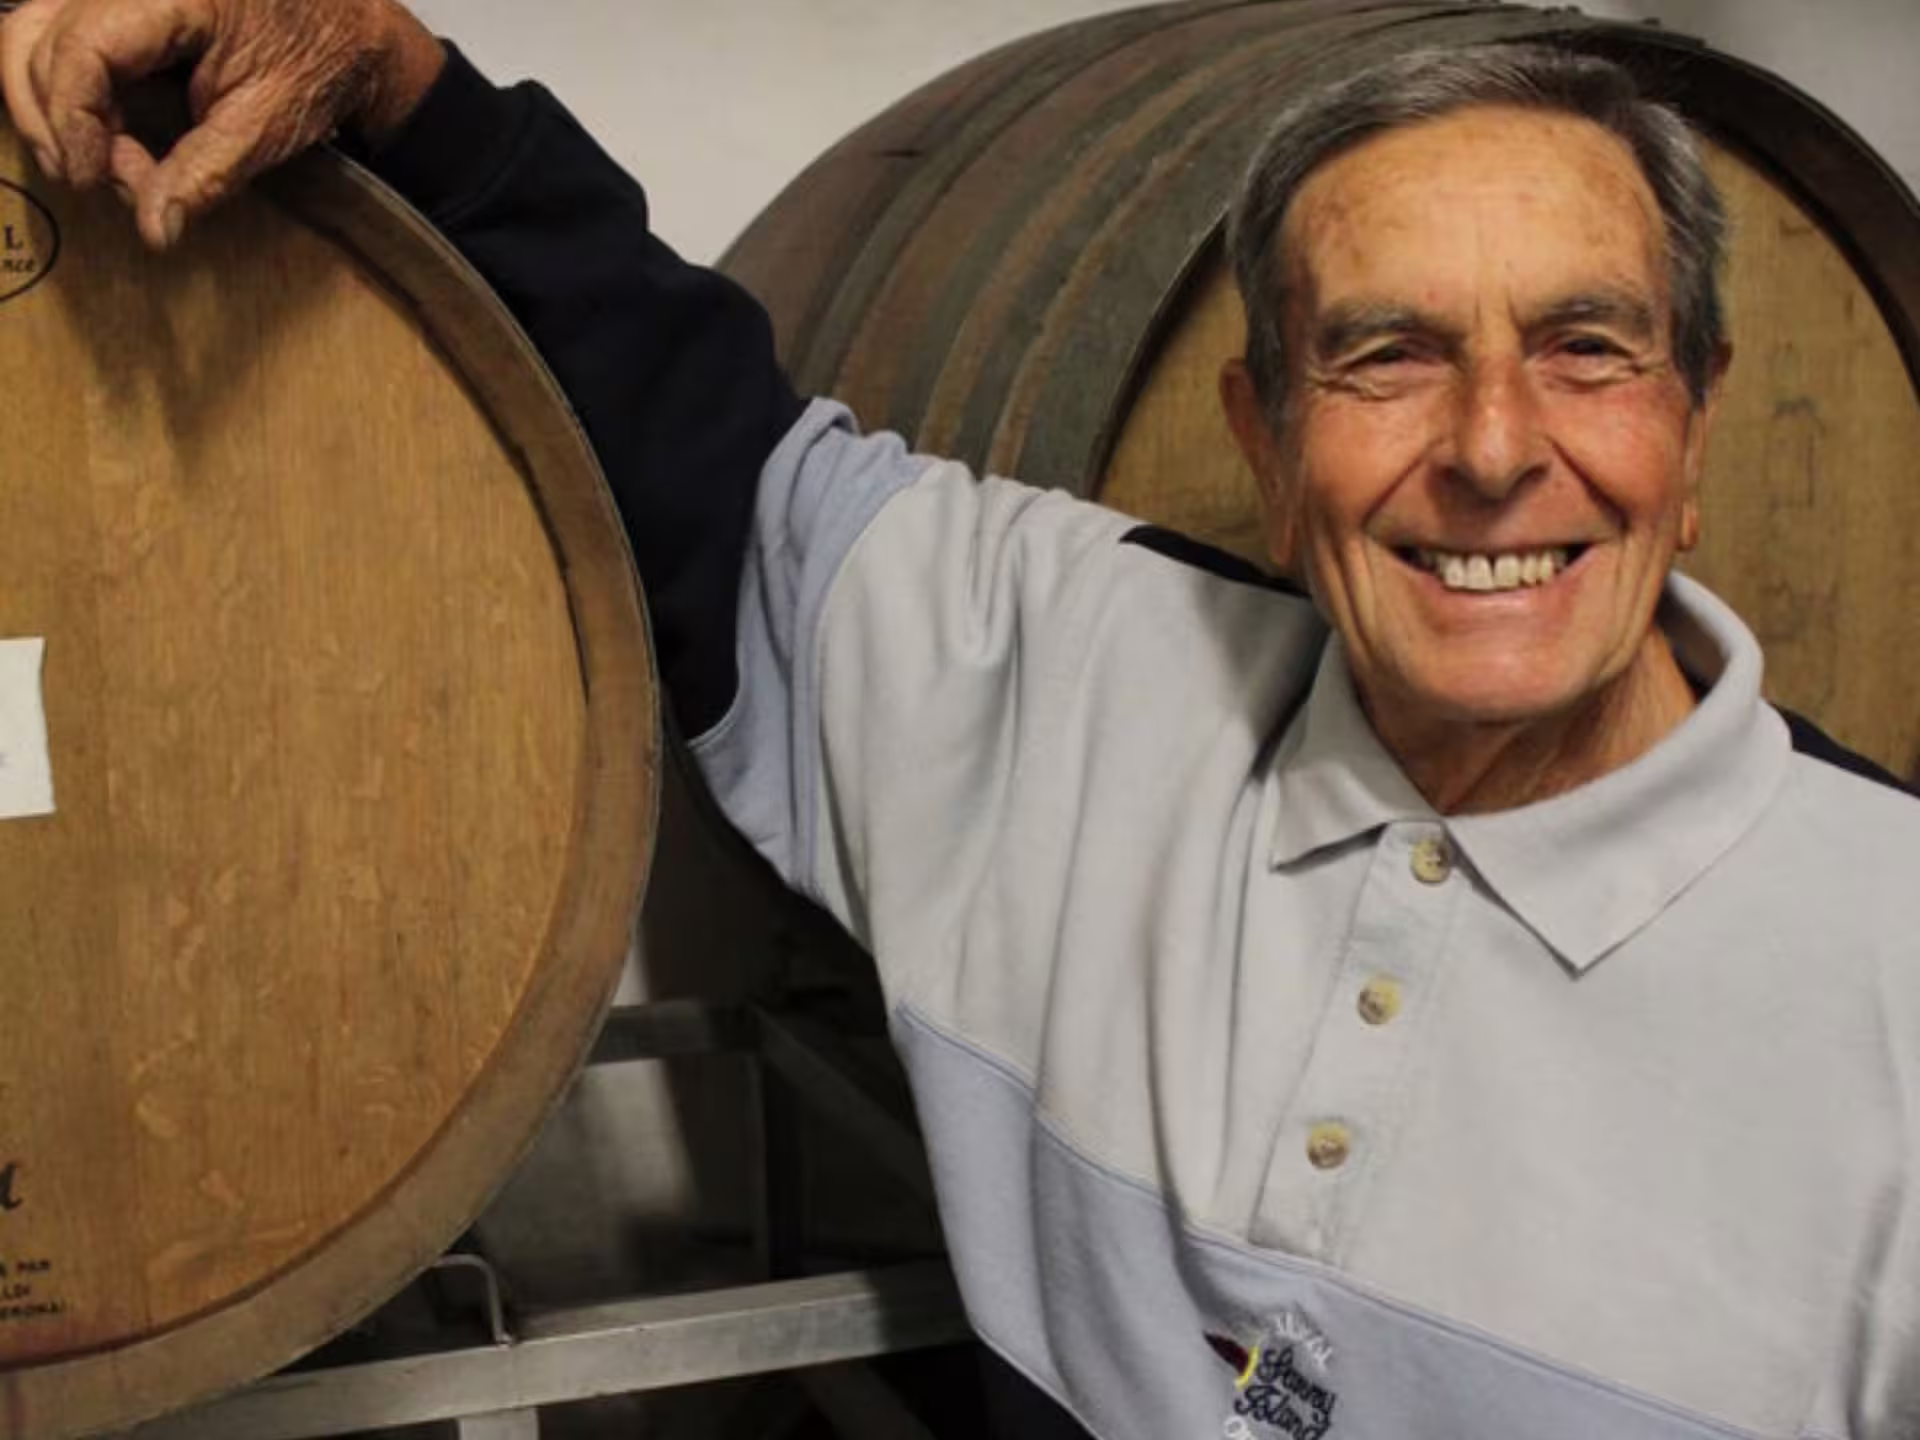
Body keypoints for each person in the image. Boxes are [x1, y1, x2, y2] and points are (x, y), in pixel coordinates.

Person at [6, 2, 1917, 1435]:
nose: (1497, 448)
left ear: (1701, 412)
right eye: (1384, 355)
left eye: (1588, 347)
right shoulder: (1078, 678)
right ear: (1262, 431)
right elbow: (696, 453)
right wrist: (383, 67)